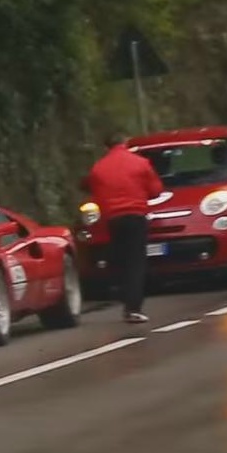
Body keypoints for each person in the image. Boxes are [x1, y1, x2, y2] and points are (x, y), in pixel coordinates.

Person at [82, 131, 164, 324]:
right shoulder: (140, 163)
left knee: (120, 259)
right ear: (125, 143)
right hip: (136, 216)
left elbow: (92, 190)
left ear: (106, 147)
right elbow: (156, 190)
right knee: (136, 262)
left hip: (113, 219)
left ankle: (122, 292)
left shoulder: (98, 168)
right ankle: (133, 308)